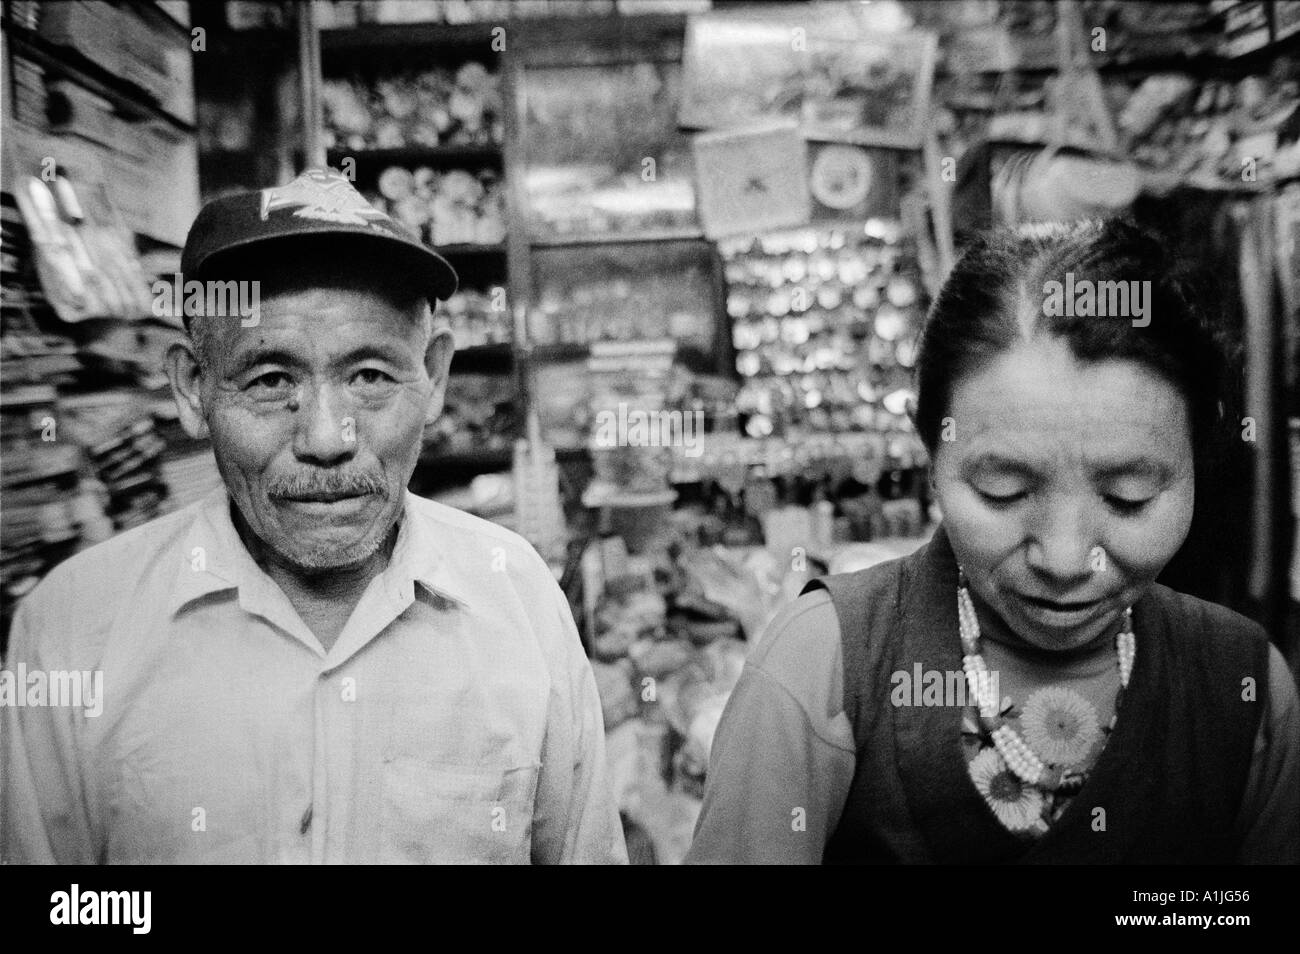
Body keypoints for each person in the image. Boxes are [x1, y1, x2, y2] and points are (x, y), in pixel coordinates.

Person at [1, 168, 628, 864]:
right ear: (191, 389)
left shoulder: (520, 600)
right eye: (271, 381)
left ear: (436, 379)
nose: (328, 438)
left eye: (371, 377)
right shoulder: (72, 632)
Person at [686, 219, 1299, 864]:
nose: (1065, 560)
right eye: (1003, 490)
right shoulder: (824, 665)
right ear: (930, 448)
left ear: (1201, 455)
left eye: (1130, 498)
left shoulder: (1245, 687)